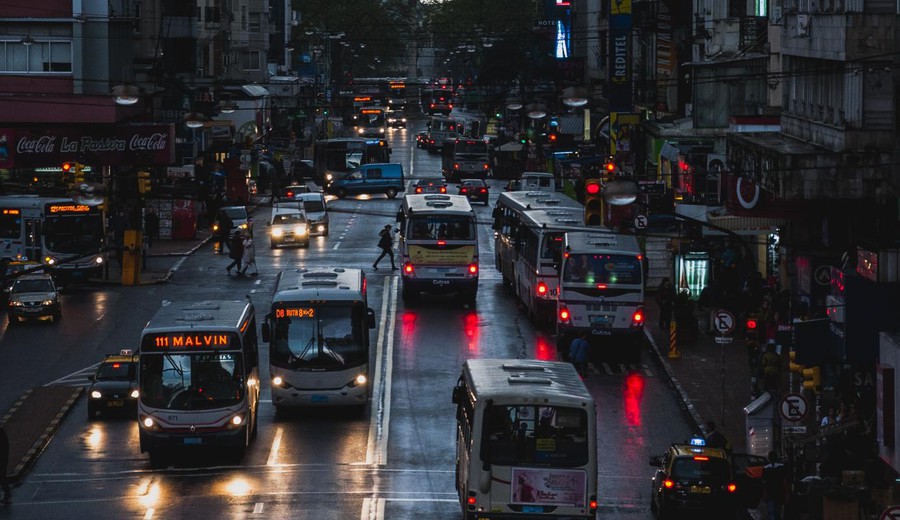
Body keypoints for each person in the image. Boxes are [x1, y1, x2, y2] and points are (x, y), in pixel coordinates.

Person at [762, 450, 789, 520]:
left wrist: (764, 494)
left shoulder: (766, 468)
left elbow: (764, 483)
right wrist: (786, 493)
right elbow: (784, 481)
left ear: (769, 458)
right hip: (779, 492)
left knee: (771, 512)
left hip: (770, 492)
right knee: (778, 511)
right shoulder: (781, 467)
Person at [0, 425, 9, 504]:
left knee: (2, 477)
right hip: (3, 458)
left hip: (2, 459)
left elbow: (5, 446)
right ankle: (7, 494)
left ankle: (7, 494)